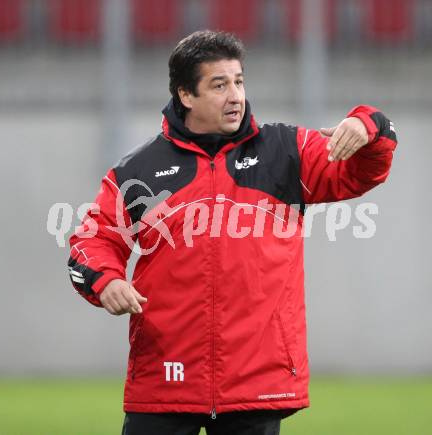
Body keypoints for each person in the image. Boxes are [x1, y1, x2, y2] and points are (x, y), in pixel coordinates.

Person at [67, 30, 397, 435]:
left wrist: (370, 128)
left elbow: (360, 174)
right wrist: (106, 281)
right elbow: (93, 240)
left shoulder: (286, 150)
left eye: (238, 82)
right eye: (219, 85)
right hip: (166, 379)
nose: (235, 96)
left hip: (256, 383)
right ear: (186, 95)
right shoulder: (138, 171)